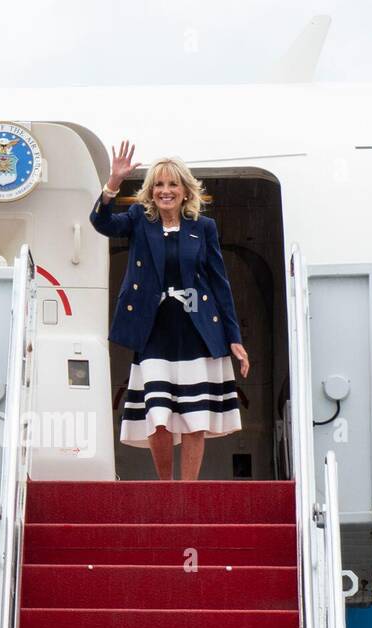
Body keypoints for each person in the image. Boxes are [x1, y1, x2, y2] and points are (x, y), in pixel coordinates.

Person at [91, 140, 247, 481]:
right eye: (159, 184)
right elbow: (101, 223)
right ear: (151, 191)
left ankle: (187, 492)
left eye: (172, 184)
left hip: (196, 329)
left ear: (185, 190)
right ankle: (166, 487)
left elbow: (220, 283)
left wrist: (233, 337)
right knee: (158, 413)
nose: (165, 191)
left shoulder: (203, 228)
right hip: (153, 330)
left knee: (194, 416)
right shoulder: (138, 220)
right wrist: (113, 183)